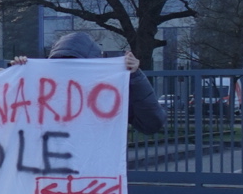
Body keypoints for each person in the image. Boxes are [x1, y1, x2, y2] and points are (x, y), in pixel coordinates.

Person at [14, 32, 165, 135]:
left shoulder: (110, 92)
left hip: (95, 177)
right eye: (63, 64)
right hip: (51, 176)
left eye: (77, 65)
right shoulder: (40, 91)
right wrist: (11, 77)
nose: (71, 73)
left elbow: (151, 124)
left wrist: (136, 78)